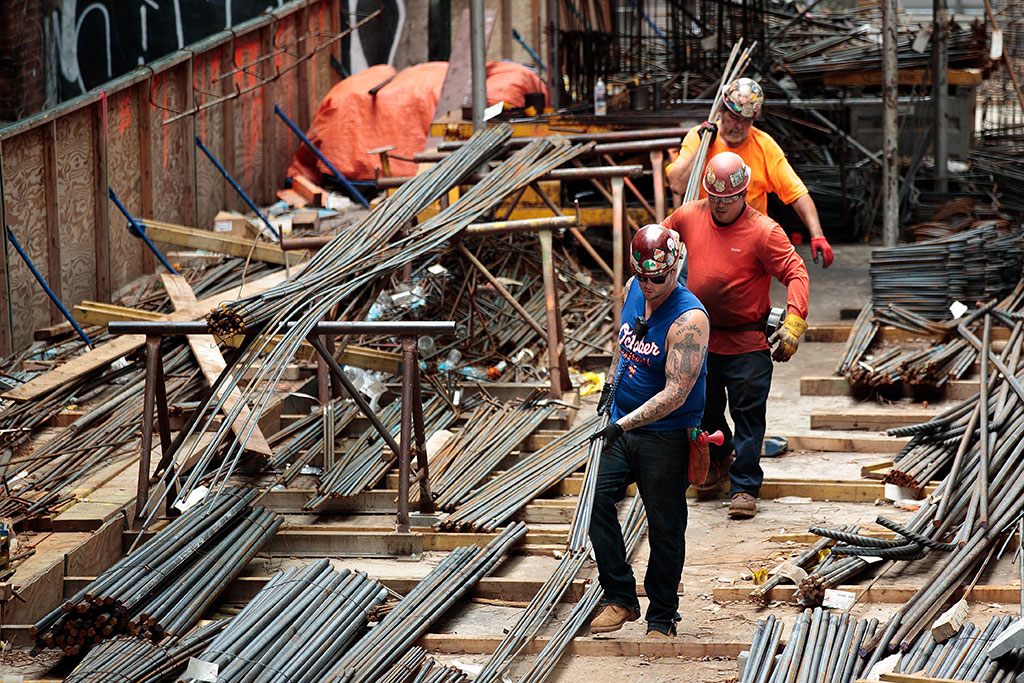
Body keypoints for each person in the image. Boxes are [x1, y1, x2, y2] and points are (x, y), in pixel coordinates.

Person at [663, 151, 809, 520]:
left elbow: (796, 272)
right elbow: (658, 242)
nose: (721, 205)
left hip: (747, 343)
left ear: (744, 193)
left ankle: (744, 487)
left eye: (729, 199)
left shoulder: (765, 231)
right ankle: (719, 457)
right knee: (705, 409)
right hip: (703, 340)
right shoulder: (689, 216)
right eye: (715, 198)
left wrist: (794, 321)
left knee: (748, 416)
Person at [587, 224, 709, 640]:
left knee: (665, 525)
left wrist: (623, 423)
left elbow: (676, 393)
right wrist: (610, 391)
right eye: (642, 277)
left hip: (666, 433)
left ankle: (662, 614)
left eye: (657, 279)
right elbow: (624, 346)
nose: (649, 286)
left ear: (676, 268)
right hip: (621, 422)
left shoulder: (690, 320)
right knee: (595, 502)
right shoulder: (634, 288)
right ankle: (620, 596)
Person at [665, 77, 835, 268]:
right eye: (733, 118)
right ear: (720, 111)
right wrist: (702, 149)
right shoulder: (700, 138)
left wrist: (817, 234)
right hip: (703, 239)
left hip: (747, 242)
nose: (737, 126)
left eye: (745, 121)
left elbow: (797, 193)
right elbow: (677, 186)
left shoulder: (764, 146)